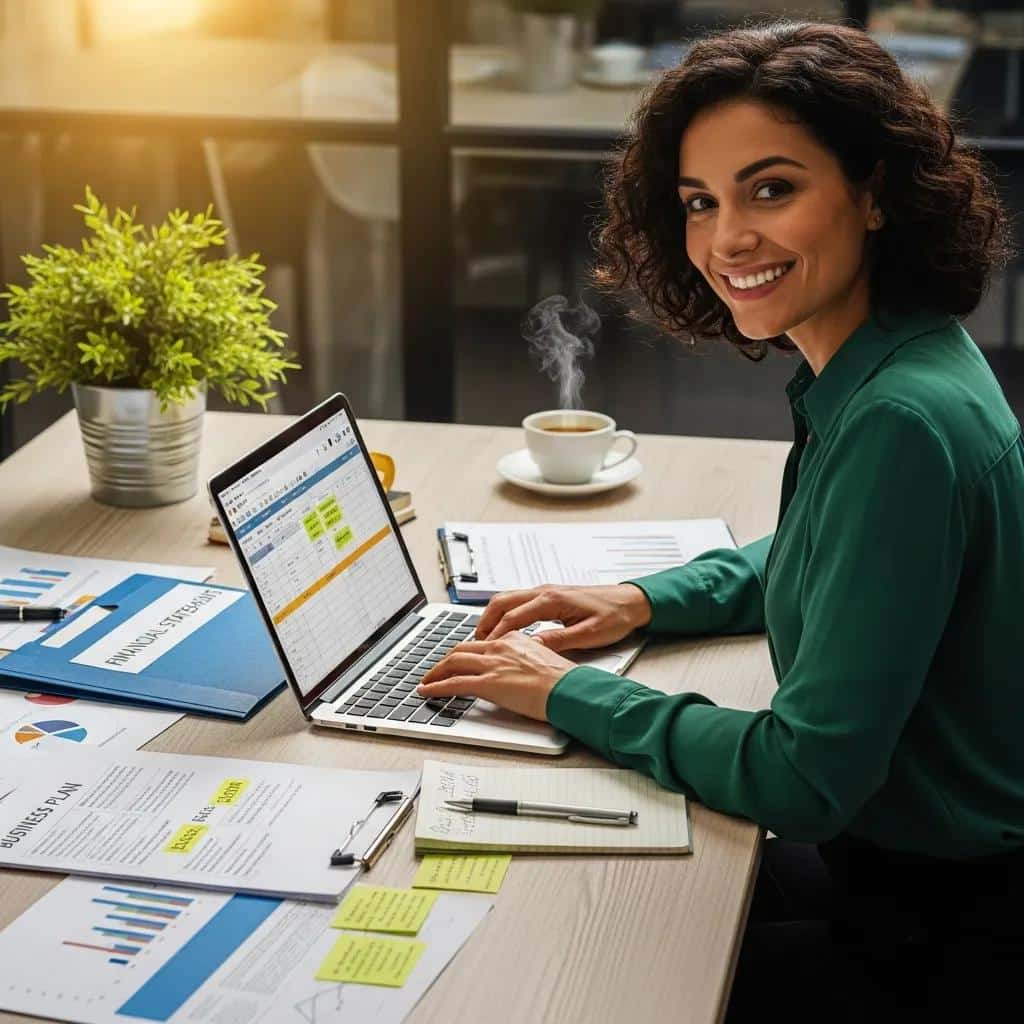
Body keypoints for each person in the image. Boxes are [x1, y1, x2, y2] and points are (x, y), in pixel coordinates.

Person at [416, 20, 1023, 1022]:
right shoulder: (905, 361)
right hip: (913, 876)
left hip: (936, 932)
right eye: (700, 201)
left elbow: (803, 778)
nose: (725, 238)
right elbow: (834, 549)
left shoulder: (898, 422)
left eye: (771, 189)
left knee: (569, 970)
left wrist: (569, 695)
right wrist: (639, 599)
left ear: (874, 191)